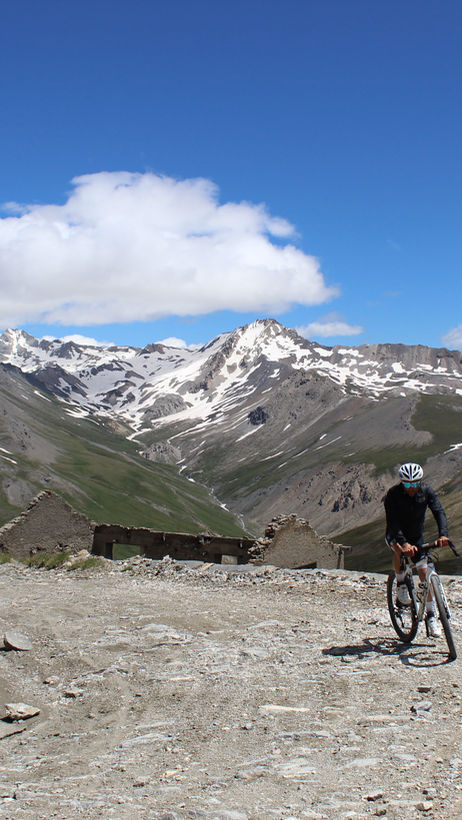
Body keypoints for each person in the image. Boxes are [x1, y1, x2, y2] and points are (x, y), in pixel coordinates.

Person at [384, 462, 450, 638]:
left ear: (420, 481)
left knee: (423, 572)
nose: (412, 488)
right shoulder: (393, 495)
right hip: (396, 534)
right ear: (402, 483)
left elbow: (439, 511)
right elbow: (393, 522)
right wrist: (403, 543)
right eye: (407, 484)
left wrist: (443, 534)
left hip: (416, 537)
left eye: (415, 484)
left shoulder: (426, 491)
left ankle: (431, 616)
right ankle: (401, 584)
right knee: (399, 551)